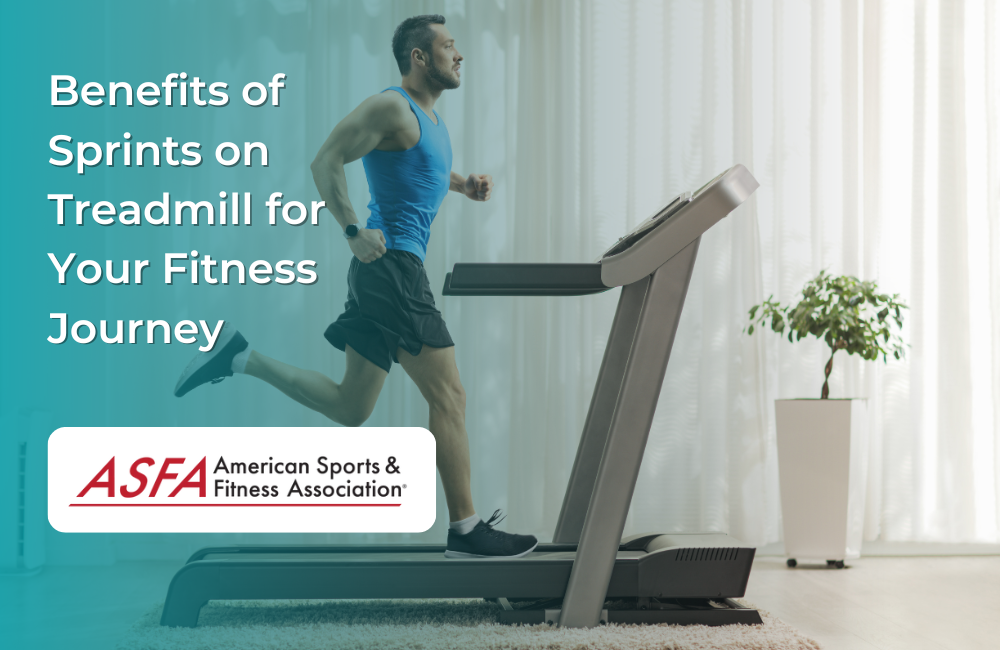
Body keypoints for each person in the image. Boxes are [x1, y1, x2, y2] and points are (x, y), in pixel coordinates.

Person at [174, 14, 537, 559]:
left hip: (385, 273)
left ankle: (239, 357)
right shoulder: (392, 106)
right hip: (392, 269)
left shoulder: (431, 121)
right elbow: (325, 161)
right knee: (451, 395)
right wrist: (350, 231)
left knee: (351, 406)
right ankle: (466, 530)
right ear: (420, 57)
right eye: (448, 46)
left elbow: (422, 173)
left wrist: (464, 185)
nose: (459, 55)